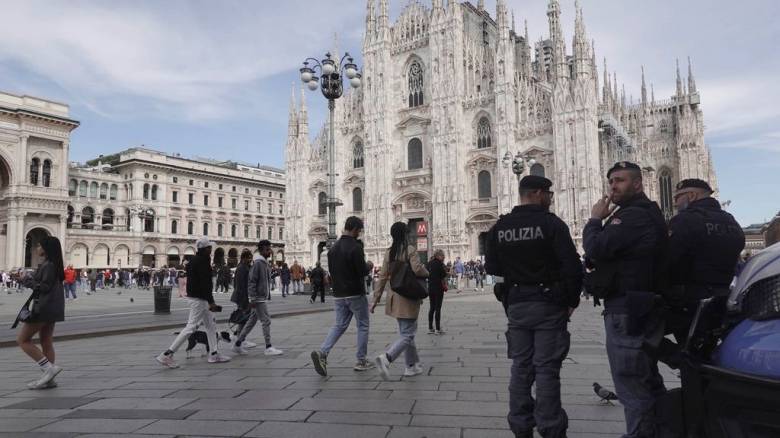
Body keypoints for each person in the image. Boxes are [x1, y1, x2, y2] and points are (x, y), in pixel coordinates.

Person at [485, 175, 583, 438]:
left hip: (517, 304)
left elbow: (492, 269)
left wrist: (510, 289)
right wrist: (571, 301)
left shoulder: (500, 228)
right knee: (546, 368)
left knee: (521, 366)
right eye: (549, 194)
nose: (550, 198)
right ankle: (551, 428)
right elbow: (573, 268)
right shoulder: (551, 225)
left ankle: (520, 425)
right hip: (548, 304)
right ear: (539, 193)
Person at [582, 161, 668, 438]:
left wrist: (596, 219)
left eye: (619, 180)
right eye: (611, 182)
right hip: (642, 304)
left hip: (627, 308)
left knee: (632, 385)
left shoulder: (633, 216)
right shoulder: (647, 212)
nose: (613, 187)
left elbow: (596, 247)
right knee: (647, 380)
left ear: (638, 184)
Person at [665, 179, 745, 344]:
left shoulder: (684, 220)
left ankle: (679, 360)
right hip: (722, 298)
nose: (675, 203)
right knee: (709, 347)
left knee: (638, 329)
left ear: (692, 195)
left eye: (678, 197)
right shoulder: (731, 221)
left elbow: (669, 260)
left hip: (690, 299)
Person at [311, 216, 375, 376]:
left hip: (339, 294)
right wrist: (369, 265)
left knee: (339, 325)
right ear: (354, 229)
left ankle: (323, 353)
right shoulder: (355, 246)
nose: (359, 234)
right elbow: (362, 271)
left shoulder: (333, 249)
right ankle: (361, 360)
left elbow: (332, 272)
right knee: (363, 325)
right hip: (355, 292)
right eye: (359, 231)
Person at [156, 237, 230, 367]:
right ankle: (167, 354)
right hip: (200, 299)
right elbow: (205, 283)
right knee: (191, 327)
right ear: (206, 249)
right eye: (210, 247)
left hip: (198, 298)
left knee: (211, 326)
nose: (211, 249)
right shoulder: (203, 262)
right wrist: (211, 301)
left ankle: (213, 354)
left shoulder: (194, 260)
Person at [372, 222, 430, 380]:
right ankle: (387, 358)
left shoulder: (389, 252)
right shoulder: (410, 250)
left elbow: (382, 276)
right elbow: (417, 269)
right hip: (408, 296)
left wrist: (376, 299)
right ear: (405, 234)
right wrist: (428, 272)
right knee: (408, 334)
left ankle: (411, 366)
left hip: (395, 297)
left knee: (406, 332)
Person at [16, 236, 66, 390]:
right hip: (53, 307)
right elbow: (42, 282)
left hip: (44, 308)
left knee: (23, 340)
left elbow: (43, 287)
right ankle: (49, 380)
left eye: (40, 244)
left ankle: (48, 369)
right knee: (46, 341)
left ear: (46, 248)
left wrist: (25, 280)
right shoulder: (52, 264)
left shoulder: (48, 265)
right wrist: (24, 278)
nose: (37, 247)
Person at [233, 241, 283, 356]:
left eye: (269, 249)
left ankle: (238, 344)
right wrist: (252, 298)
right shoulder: (259, 263)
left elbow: (263, 280)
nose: (269, 251)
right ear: (261, 251)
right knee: (266, 321)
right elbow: (252, 281)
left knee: (251, 321)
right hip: (258, 298)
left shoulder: (263, 263)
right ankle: (268, 347)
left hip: (260, 297)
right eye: (267, 249)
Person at [426, 249, 447, 334]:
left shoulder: (429, 263)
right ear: (439, 256)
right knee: (438, 308)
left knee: (432, 308)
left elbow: (426, 273)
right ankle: (438, 329)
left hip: (431, 288)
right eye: (443, 256)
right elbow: (443, 275)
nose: (444, 257)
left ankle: (430, 328)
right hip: (438, 288)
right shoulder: (440, 264)